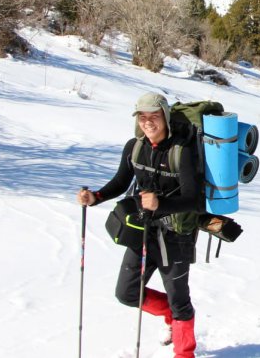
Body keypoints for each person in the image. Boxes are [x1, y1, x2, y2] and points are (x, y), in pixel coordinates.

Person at [77, 92, 201, 357]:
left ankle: (185, 353)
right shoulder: (134, 146)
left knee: (180, 300)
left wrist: (162, 205)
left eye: (154, 116)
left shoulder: (183, 150)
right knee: (127, 292)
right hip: (143, 231)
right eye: (142, 117)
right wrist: (96, 197)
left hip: (176, 234)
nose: (148, 122)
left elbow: (194, 200)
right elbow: (121, 182)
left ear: (165, 117)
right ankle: (167, 313)